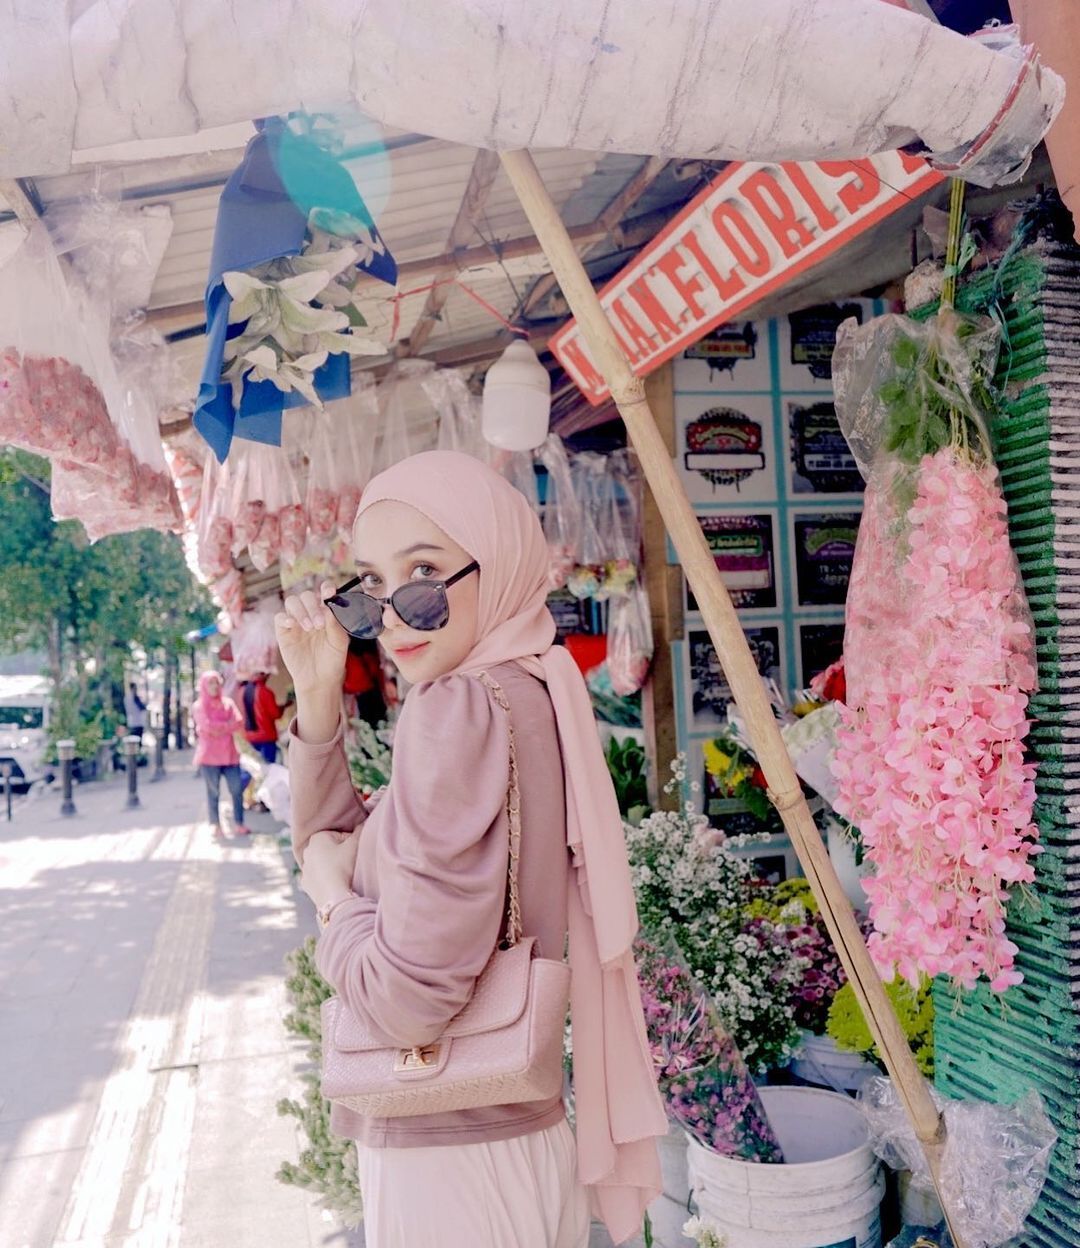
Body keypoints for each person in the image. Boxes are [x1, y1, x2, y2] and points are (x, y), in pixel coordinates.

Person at [276, 450, 665, 1248]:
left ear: (501, 560)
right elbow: (344, 843)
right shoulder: (527, 687)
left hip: (449, 1158)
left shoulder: (455, 708)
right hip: (509, 1132)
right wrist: (319, 703)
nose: (391, 618)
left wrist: (331, 902)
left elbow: (404, 998)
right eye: (373, 589)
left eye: (424, 572)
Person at [191, 671, 248, 837]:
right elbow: (207, 726)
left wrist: (218, 728)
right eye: (210, 683)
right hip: (209, 756)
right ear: (203, 686)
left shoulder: (228, 703)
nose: (214, 686)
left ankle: (239, 823)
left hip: (230, 754)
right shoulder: (199, 706)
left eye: (216, 682)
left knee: (237, 789)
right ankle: (215, 825)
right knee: (213, 792)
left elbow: (238, 721)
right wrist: (225, 725)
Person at [240, 672, 283, 764]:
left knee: (262, 770)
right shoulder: (265, 692)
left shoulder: (242, 691)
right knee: (271, 769)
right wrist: (284, 707)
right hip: (266, 737)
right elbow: (276, 714)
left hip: (249, 737)